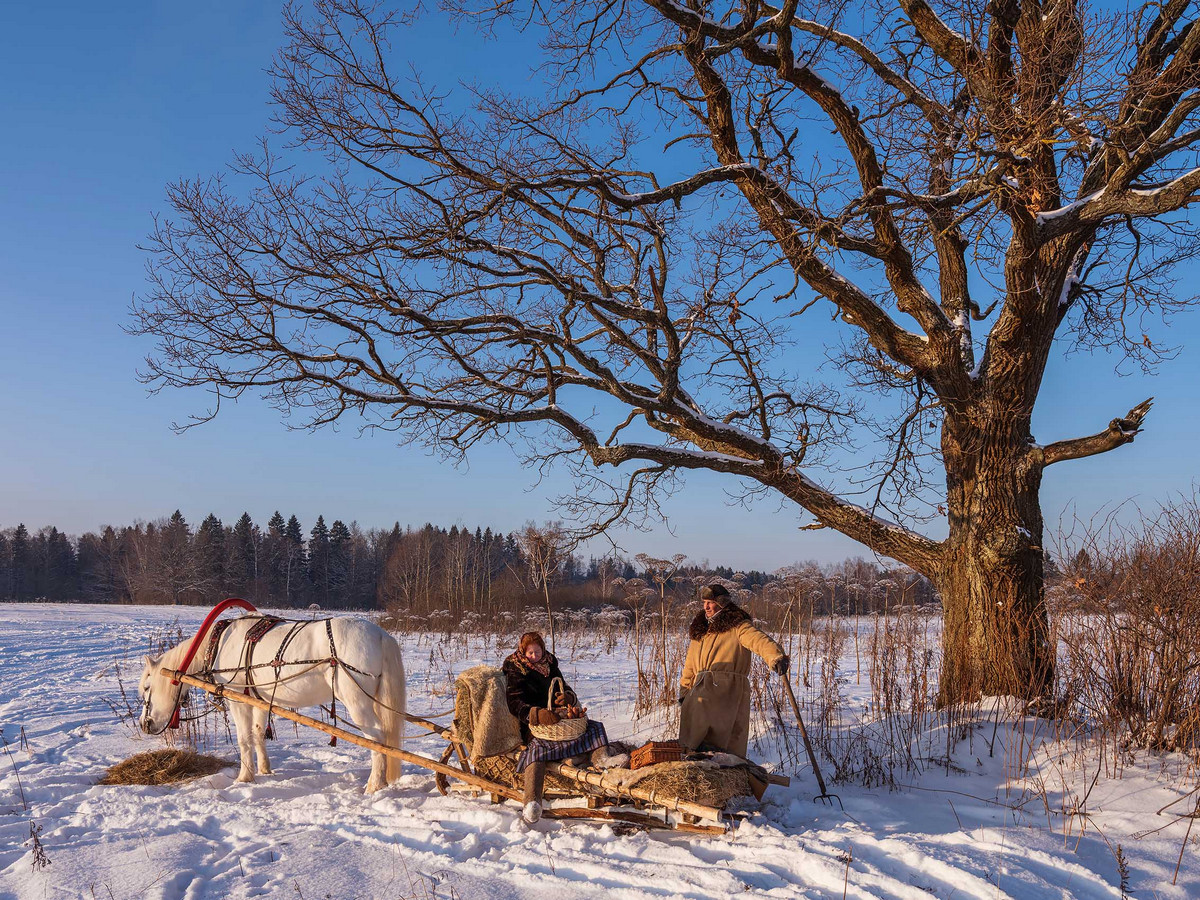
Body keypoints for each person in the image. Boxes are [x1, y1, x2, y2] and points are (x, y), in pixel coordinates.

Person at [503, 631, 628, 824]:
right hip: (534, 724)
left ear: (543, 650)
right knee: (536, 750)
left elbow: (564, 686)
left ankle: (601, 758)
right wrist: (536, 714)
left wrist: (568, 697)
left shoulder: (550, 664)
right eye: (530, 653)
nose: (535, 657)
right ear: (523, 652)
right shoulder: (516, 669)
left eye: (537, 652)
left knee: (593, 727)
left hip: (559, 719)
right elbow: (514, 702)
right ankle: (532, 801)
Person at [678, 584, 789, 758]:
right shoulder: (700, 630)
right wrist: (685, 689)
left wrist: (776, 656)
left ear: (721, 603)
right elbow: (690, 664)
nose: (706, 606)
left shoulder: (737, 625)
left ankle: (724, 775)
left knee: (723, 745)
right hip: (699, 690)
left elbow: (758, 640)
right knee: (692, 742)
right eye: (704, 602)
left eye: (710, 602)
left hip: (726, 691)